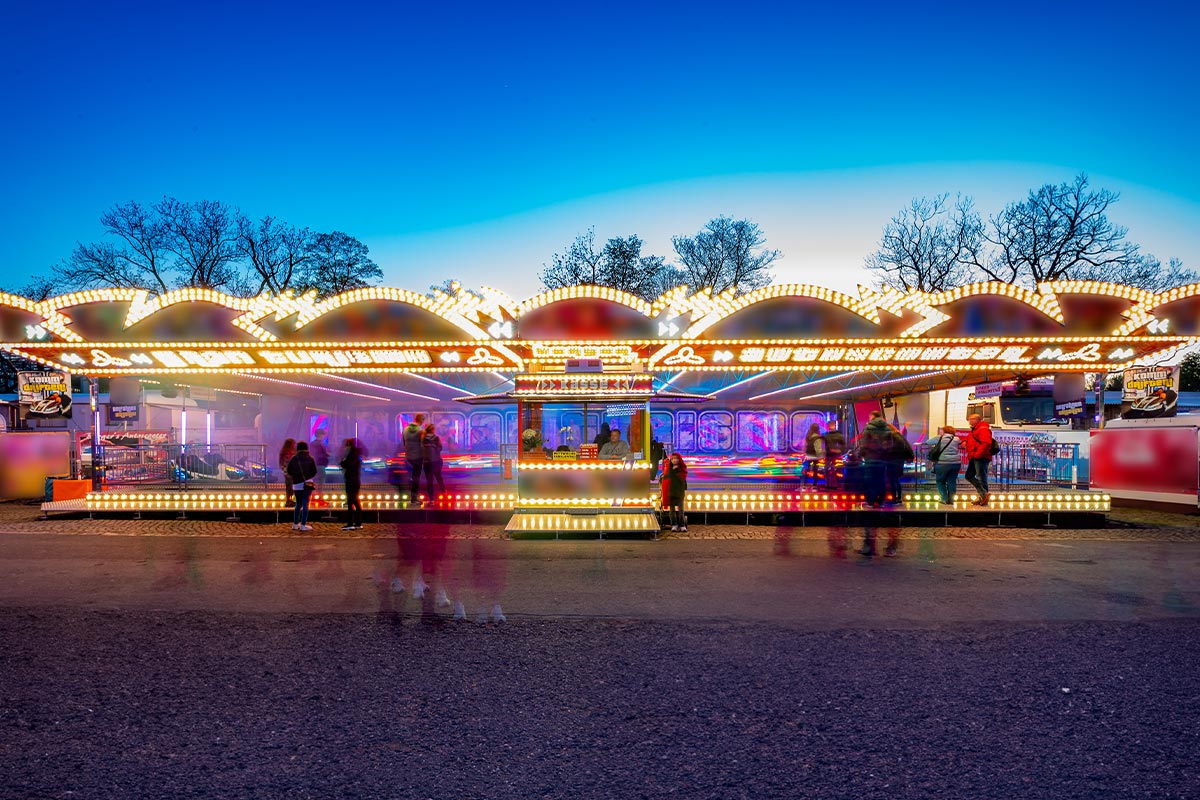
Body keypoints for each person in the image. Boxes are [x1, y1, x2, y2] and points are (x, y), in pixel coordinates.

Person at [855, 410, 896, 508]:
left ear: (872, 416)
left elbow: (864, 444)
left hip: (870, 458)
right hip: (882, 459)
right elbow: (890, 445)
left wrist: (860, 455)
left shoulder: (868, 427)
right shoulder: (887, 428)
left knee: (870, 480)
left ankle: (871, 501)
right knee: (881, 480)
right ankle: (880, 501)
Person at [924, 425, 962, 505]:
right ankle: (951, 500)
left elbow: (928, 442)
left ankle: (944, 499)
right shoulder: (956, 439)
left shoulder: (939, 438)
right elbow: (961, 444)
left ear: (944, 431)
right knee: (952, 481)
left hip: (942, 463)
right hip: (956, 463)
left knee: (940, 481)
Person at [285, 441, 318, 531]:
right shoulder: (310, 458)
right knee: (305, 503)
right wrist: (307, 477)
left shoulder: (294, 458)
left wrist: (296, 477)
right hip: (307, 483)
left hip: (296, 484)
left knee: (298, 504)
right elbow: (314, 471)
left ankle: (295, 524)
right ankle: (303, 525)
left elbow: (289, 470)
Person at [964, 413, 995, 506]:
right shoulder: (975, 429)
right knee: (969, 476)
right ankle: (983, 495)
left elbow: (986, 443)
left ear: (978, 420)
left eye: (972, 419)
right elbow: (972, 441)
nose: (970, 421)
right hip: (975, 456)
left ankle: (983, 496)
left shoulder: (983, 429)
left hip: (980, 456)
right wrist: (964, 442)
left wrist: (978, 454)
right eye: (969, 419)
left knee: (981, 477)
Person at [885, 421, 914, 505]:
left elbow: (888, 449)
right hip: (899, 460)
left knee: (892, 480)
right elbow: (907, 447)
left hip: (892, 460)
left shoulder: (890, 437)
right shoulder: (899, 436)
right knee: (896, 479)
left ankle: (894, 498)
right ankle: (899, 497)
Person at [402, 413, 426, 506]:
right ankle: (414, 498)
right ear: (421, 420)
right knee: (416, 478)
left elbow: (404, 443)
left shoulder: (405, 430)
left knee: (409, 477)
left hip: (408, 457)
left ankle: (407, 496)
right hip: (418, 457)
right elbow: (423, 445)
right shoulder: (421, 431)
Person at [340, 438, 363, 530]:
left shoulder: (350, 456)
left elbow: (344, 464)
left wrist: (343, 460)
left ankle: (350, 523)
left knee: (351, 502)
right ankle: (358, 523)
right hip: (355, 480)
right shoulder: (357, 455)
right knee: (355, 501)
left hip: (350, 480)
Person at [663, 452, 689, 532]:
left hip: (679, 491)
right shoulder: (669, 468)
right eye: (673, 459)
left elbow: (683, 479)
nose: (674, 460)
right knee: (672, 510)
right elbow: (666, 478)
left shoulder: (682, 469)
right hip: (671, 491)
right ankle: (674, 524)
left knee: (681, 509)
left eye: (676, 458)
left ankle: (682, 525)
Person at [422, 423, 445, 503]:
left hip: (427, 462)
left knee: (429, 480)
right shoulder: (436, 438)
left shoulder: (422, 439)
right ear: (432, 430)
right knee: (438, 476)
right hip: (436, 461)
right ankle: (443, 491)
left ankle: (431, 498)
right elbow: (440, 448)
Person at [823, 422, 845, 490]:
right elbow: (843, 445)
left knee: (829, 469)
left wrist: (838, 450)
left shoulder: (826, 435)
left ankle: (829, 484)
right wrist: (838, 450)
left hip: (831, 454)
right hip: (833, 454)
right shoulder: (838, 435)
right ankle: (833, 484)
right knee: (832, 469)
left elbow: (843, 445)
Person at [278, 438, 296, 507]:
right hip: (291, 472)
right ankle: (292, 501)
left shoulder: (283, 452)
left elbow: (282, 463)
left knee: (289, 488)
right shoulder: (290, 453)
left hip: (287, 472)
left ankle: (289, 501)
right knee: (292, 488)